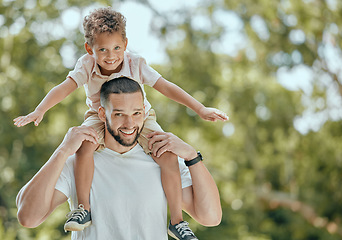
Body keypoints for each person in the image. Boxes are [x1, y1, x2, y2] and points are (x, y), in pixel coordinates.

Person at [13, 7, 228, 237]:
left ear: (125, 44)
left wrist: (194, 139)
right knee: (85, 146)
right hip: (94, 119)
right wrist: (44, 116)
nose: (111, 55)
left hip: (148, 122)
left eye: (116, 48)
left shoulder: (135, 64)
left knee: (167, 154)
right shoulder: (74, 160)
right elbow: (28, 217)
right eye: (103, 49)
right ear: (90, 49)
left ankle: (176, 220)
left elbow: (165, 86)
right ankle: (83, 209)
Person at [16, 77, 222, 240]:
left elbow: (211, 217)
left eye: (137, 113)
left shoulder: (163, 161)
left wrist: (193, 157)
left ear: (146, 112)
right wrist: (62, 150)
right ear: (102, 113)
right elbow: (28, 217)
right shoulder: (78, 163)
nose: (130, 123)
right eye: (119, 114)